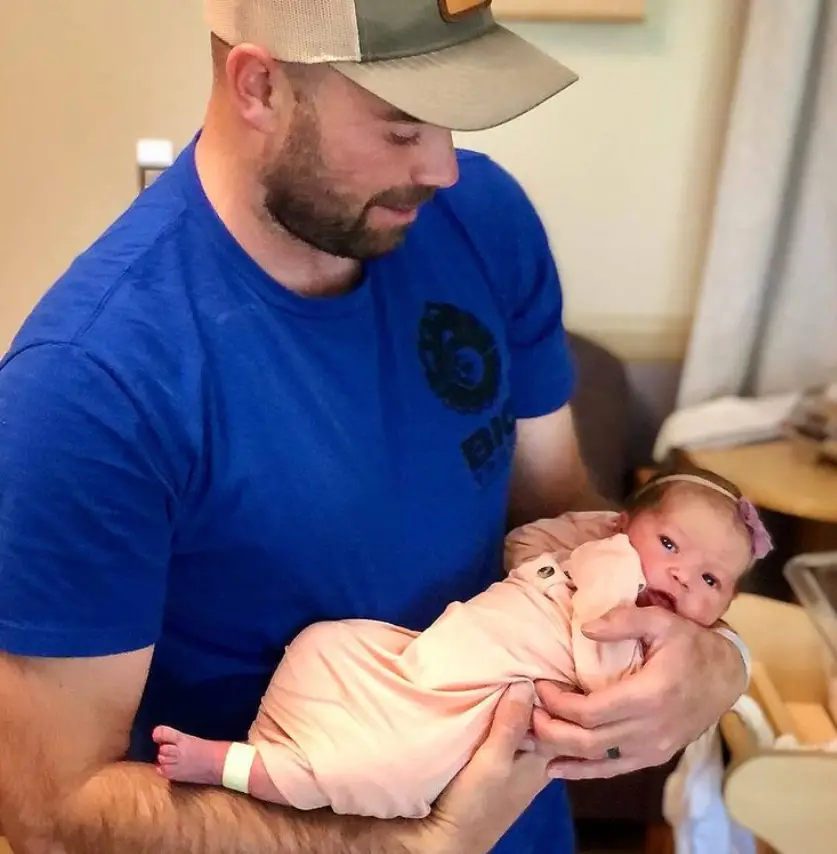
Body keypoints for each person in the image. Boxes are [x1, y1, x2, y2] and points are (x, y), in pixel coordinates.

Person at [0, 2, 752, 853]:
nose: (443, 168)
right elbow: (50, 812)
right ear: (260, 86)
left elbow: (561, 511)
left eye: (452, 118)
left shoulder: (486, 224)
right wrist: (404, 844)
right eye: (401, 127)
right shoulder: (90, 382)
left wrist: (713, 654)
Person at [149, 467, 772, 820]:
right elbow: (530, 553)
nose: (683, 575)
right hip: (428, 652)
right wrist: (605, 540)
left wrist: (725, 658)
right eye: (668, 546)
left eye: (711, 580)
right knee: (327, 648)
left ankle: (232, 764)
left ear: (722, 609)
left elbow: (611, 694)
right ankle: (269, 752)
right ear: (623, 530)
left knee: (377, 753)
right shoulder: (609, 575)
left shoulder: (647, 632)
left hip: (467, 699)